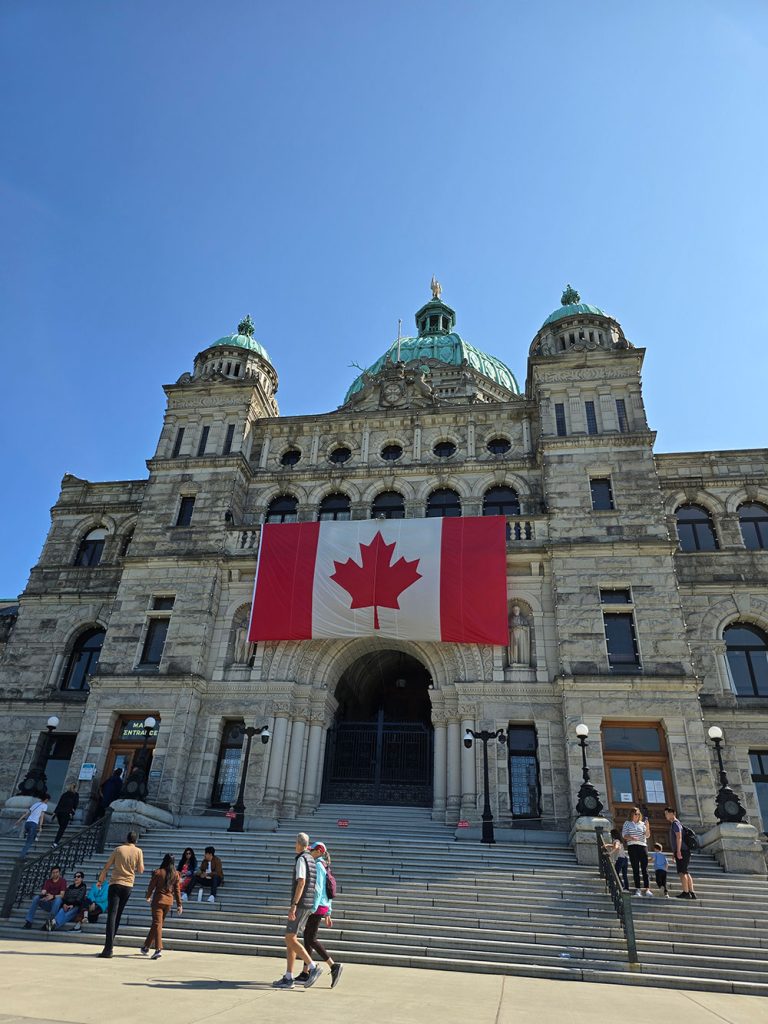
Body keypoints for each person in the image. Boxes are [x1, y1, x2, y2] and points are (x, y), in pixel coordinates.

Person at [272, 832, 322, 990]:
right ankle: (288, 977)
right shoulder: (311, 859)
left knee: (289, 938)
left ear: (299, 844)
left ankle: (313, 967)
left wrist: (294, 904)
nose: (295, 845)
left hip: (300, 904)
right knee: (291, 939)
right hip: (307, 903)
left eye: (295, 842)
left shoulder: (301, 859)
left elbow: (301, 882)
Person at [301, 841, 343, 988]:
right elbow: (328, 892)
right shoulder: (324, 866)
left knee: (311, 938)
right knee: (307, 936)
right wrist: (328, 912)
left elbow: (318, 889)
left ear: (318, 852)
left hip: (317, 907)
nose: (309, 852)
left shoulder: (318, 865)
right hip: (322, 906)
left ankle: (333, 966)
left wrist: (313, 908)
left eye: (311, 850)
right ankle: (305, 972)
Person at [97, 830, 145, 957]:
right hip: (128, 885)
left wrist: (100, 880)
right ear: (136, 840)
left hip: (115, 883)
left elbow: (107, 866)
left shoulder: (118, 849)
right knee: (118, 915)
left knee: (111, 915)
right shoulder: (138, 851)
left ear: (126, 839)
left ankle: (108, 948)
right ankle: (110, 945)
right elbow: (141, 870)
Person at [141, 853, 183, 959]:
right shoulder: (176, 874)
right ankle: (146, 946)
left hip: (158, 901)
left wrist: (148, 896)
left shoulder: (158, 872)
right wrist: (179, 904)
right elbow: (177, 890)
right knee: (157, 924)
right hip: (168, 902)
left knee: (157, 924)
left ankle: (158, 949)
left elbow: (151, 886)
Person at [665, 806, 696, 900]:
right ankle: (692, 892)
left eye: (667, 813)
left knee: (682, 872)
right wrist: (674, 852)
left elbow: (679, 837)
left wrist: (678, 851)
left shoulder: (675, 823)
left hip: (682, 851)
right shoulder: (677, 823)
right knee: (685, 871)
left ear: (672, 813)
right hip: (683, 851)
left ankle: (686, 892)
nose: (666, 815)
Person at [621, 807, 653, 897]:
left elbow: (647, 836)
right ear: (631, 814)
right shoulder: (627, 823)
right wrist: (631, 837)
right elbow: (624, 835)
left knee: (644, 868)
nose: (637, 815)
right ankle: (638, 889)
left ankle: (647, 889)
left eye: (638, 814)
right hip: (632, 846)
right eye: (635, 814)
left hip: (643, 846)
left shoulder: (642, 824)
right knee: (635, 868)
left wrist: (647, 827)